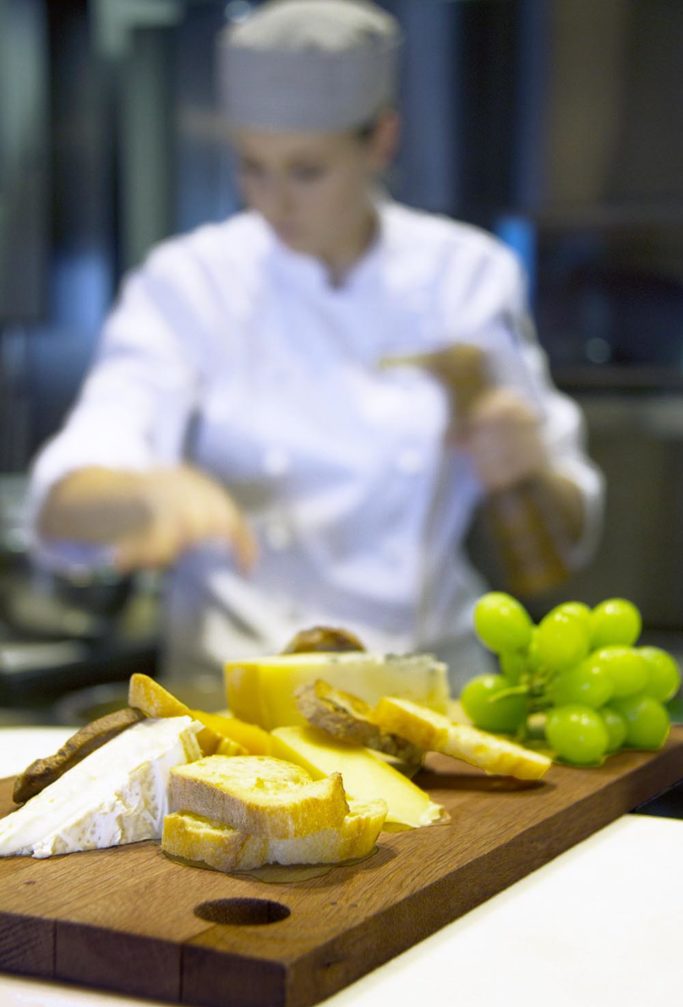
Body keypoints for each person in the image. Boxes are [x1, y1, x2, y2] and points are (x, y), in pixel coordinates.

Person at [27, 0, 603, 691]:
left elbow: (566, 535)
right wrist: (141, 494)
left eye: (306, 171)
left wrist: (523, 463)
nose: (273, 202)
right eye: (252, 167)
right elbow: (66, 496)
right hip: (241, 696)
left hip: (424, 686)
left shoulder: (464, 274)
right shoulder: (189, 282)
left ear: (381, 141)